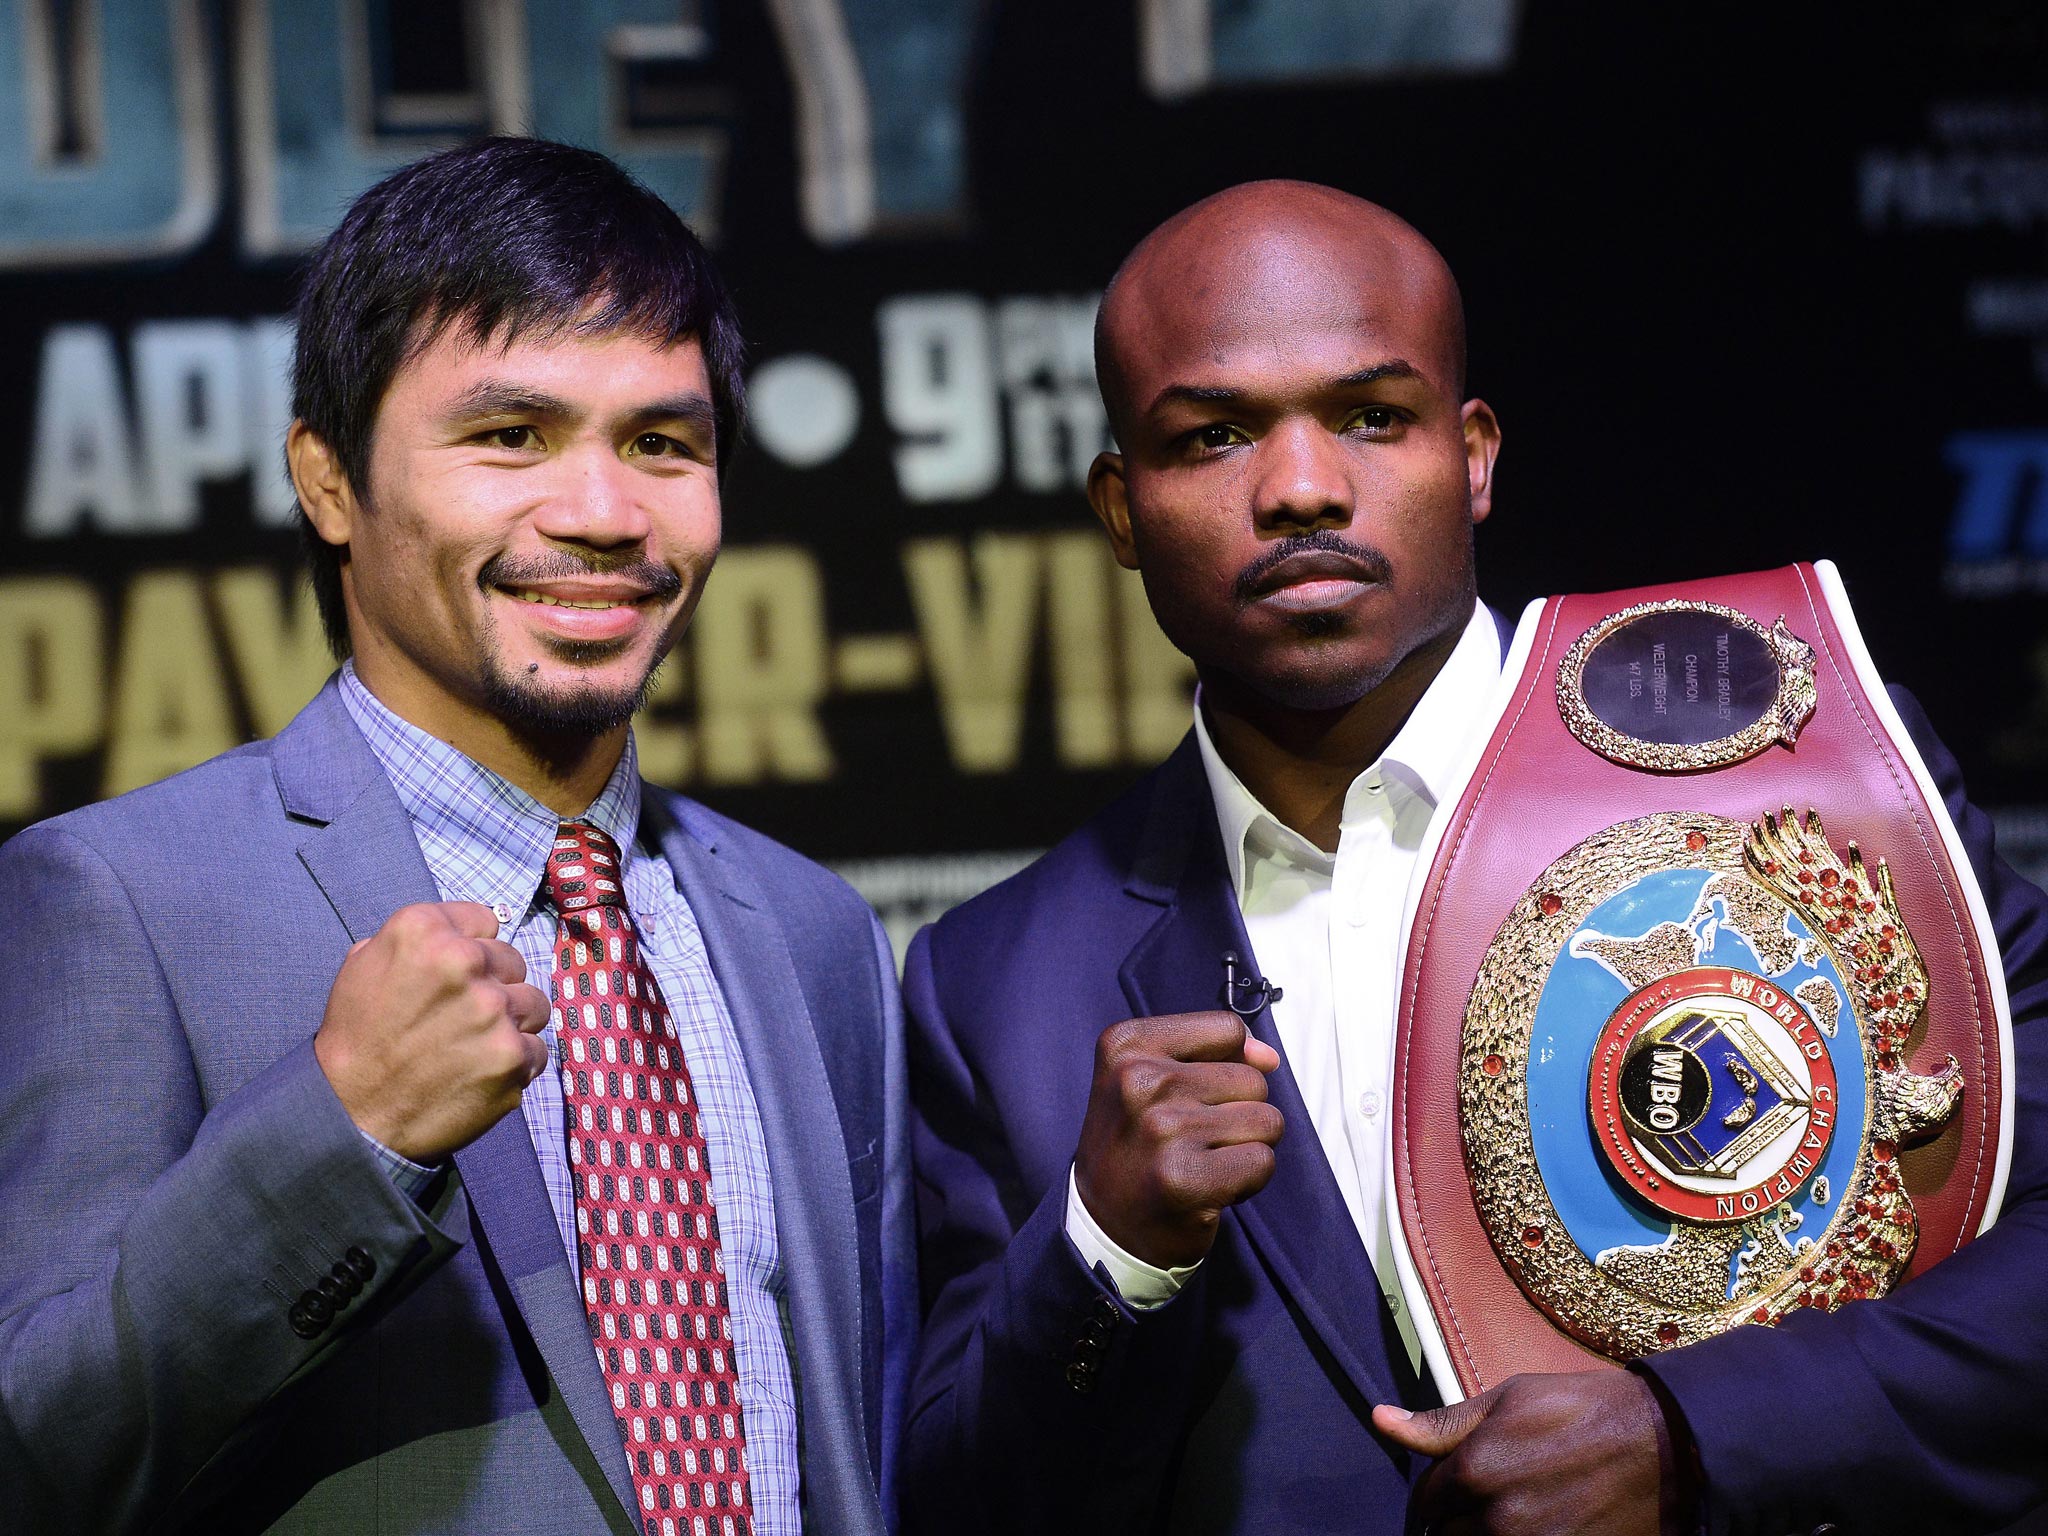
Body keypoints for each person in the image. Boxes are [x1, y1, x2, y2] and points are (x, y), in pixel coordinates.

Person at [900, 180, 2048, 1535]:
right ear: (1120, 511)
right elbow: (954, 1502)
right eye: (1211, 437)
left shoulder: (1802, 773)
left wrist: (1700, 1441)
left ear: (1477, 454)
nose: (1303, 488)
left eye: (1371, 416)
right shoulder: (997, 986)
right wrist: (1110, 1253)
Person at [0, 137, 911, 1536]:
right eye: (510, 436)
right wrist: (341, 1130)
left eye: (663, 443)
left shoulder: (810, 929)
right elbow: (38, 1463)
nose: (604, 515)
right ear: (328, 483)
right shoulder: (118, 898)